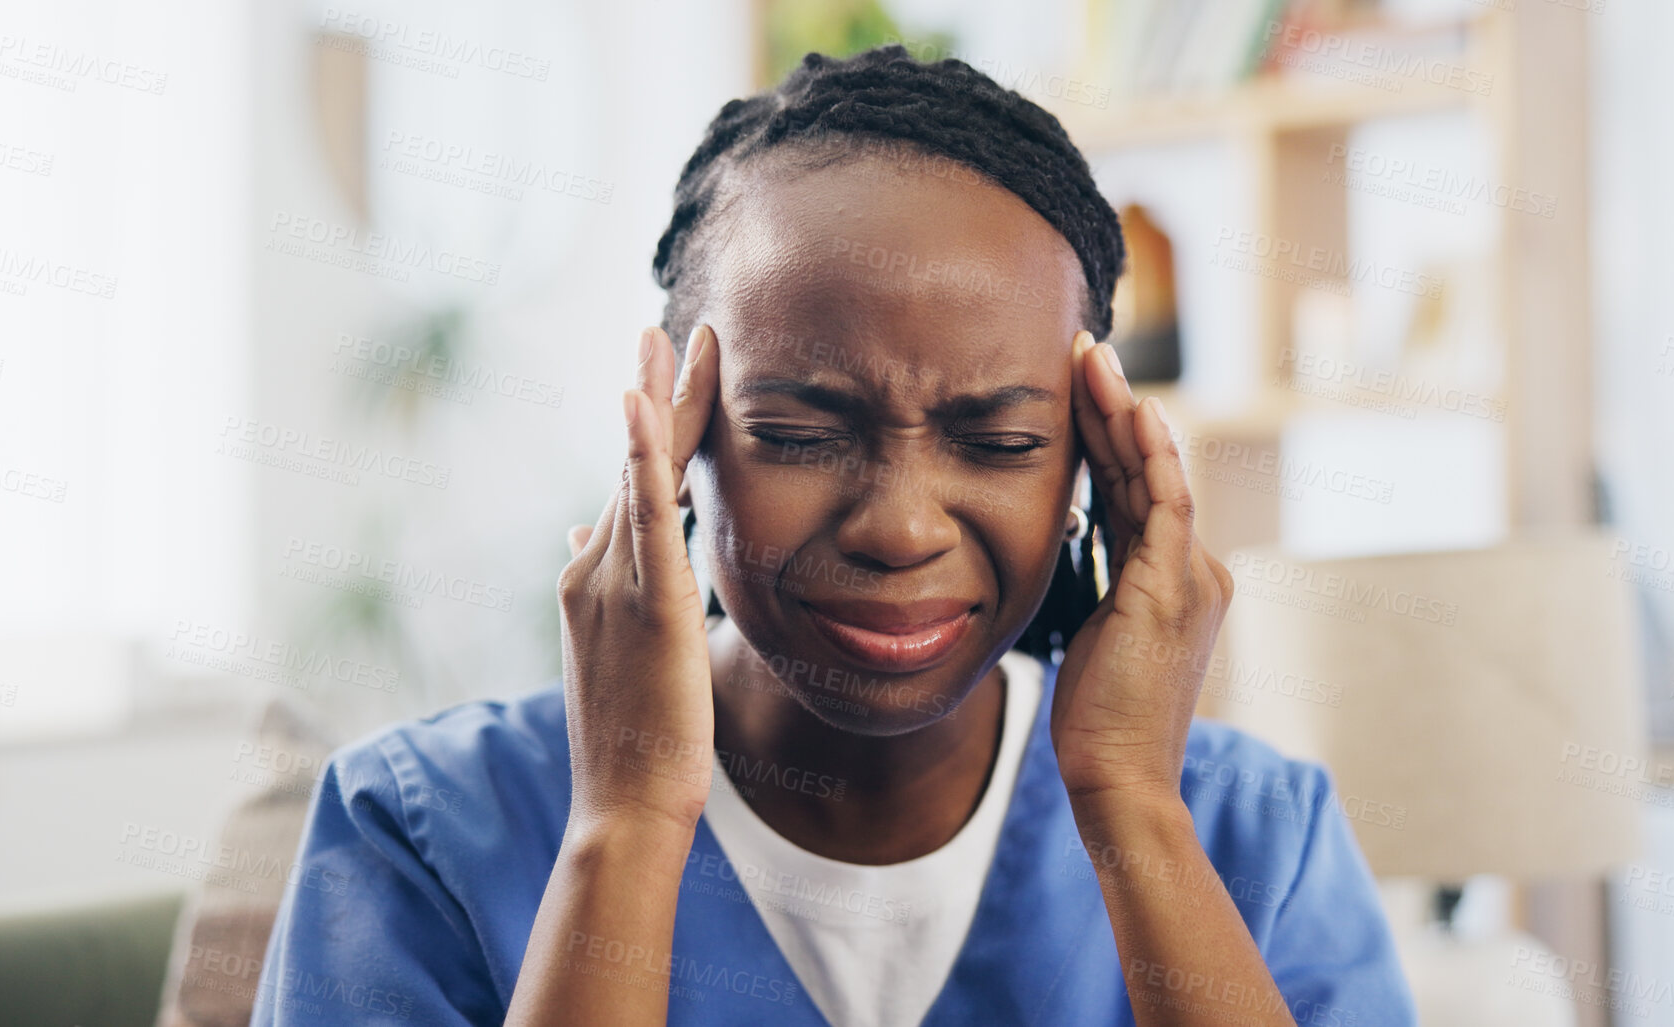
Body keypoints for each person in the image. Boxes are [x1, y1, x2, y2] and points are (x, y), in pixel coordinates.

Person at [252, 45, 1416, 1027]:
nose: (901, 525)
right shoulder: (415, 832)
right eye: (803, 432)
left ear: (1091, 470)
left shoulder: (1256, 836)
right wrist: (628, 823)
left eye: (1001, 442)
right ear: (682, 437)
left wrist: (1132, 805)